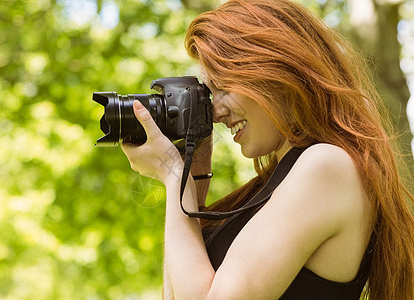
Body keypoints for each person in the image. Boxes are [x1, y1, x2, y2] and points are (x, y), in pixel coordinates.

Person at [121, 0, 414, 299]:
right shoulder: (278, 183)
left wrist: (172, 174)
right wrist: (191, 180)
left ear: (275, 70)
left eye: (224, 87)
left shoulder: (327, 166)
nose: (216, 112)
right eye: (209, 93)